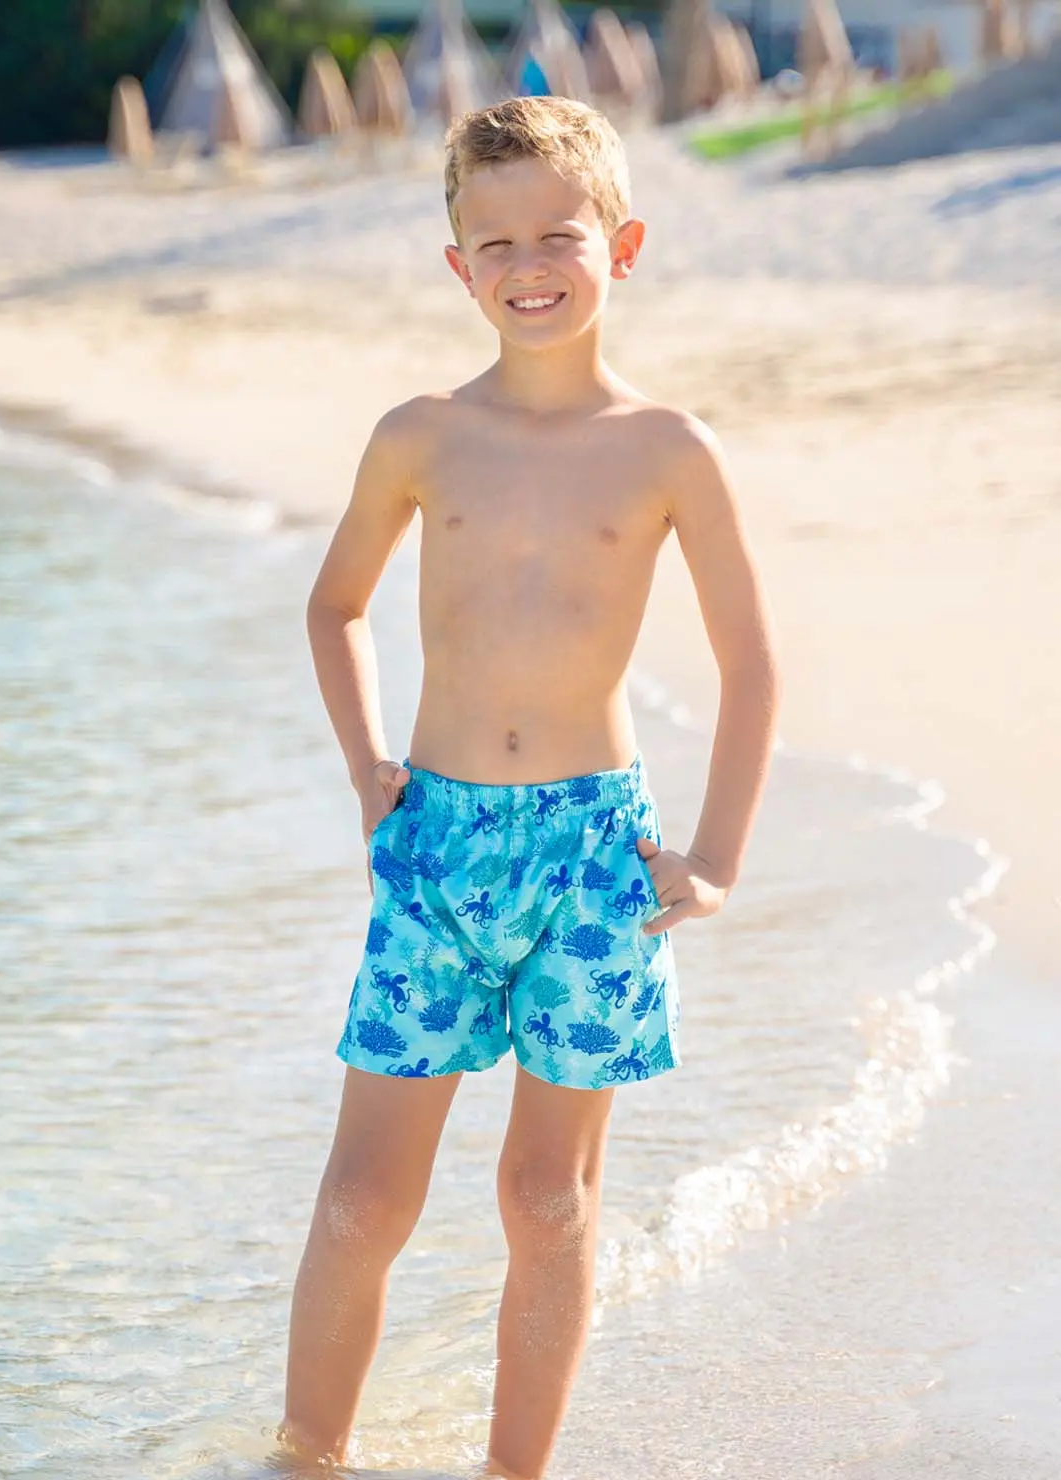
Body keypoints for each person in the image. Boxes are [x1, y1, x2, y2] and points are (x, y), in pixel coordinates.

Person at [280, 95, 780, 1480]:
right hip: (435, 845)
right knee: (362, 1203)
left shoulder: (669, 449)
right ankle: (303, 1457)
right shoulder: (421, 435)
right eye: (493, 243)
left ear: (623, 245)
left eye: (558, 234)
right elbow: (335, 606)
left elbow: (751, 663)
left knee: (547, 1199)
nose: (528, 265)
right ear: (459, 268)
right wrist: (369, 772)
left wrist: (715, 858)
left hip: (591, 855)